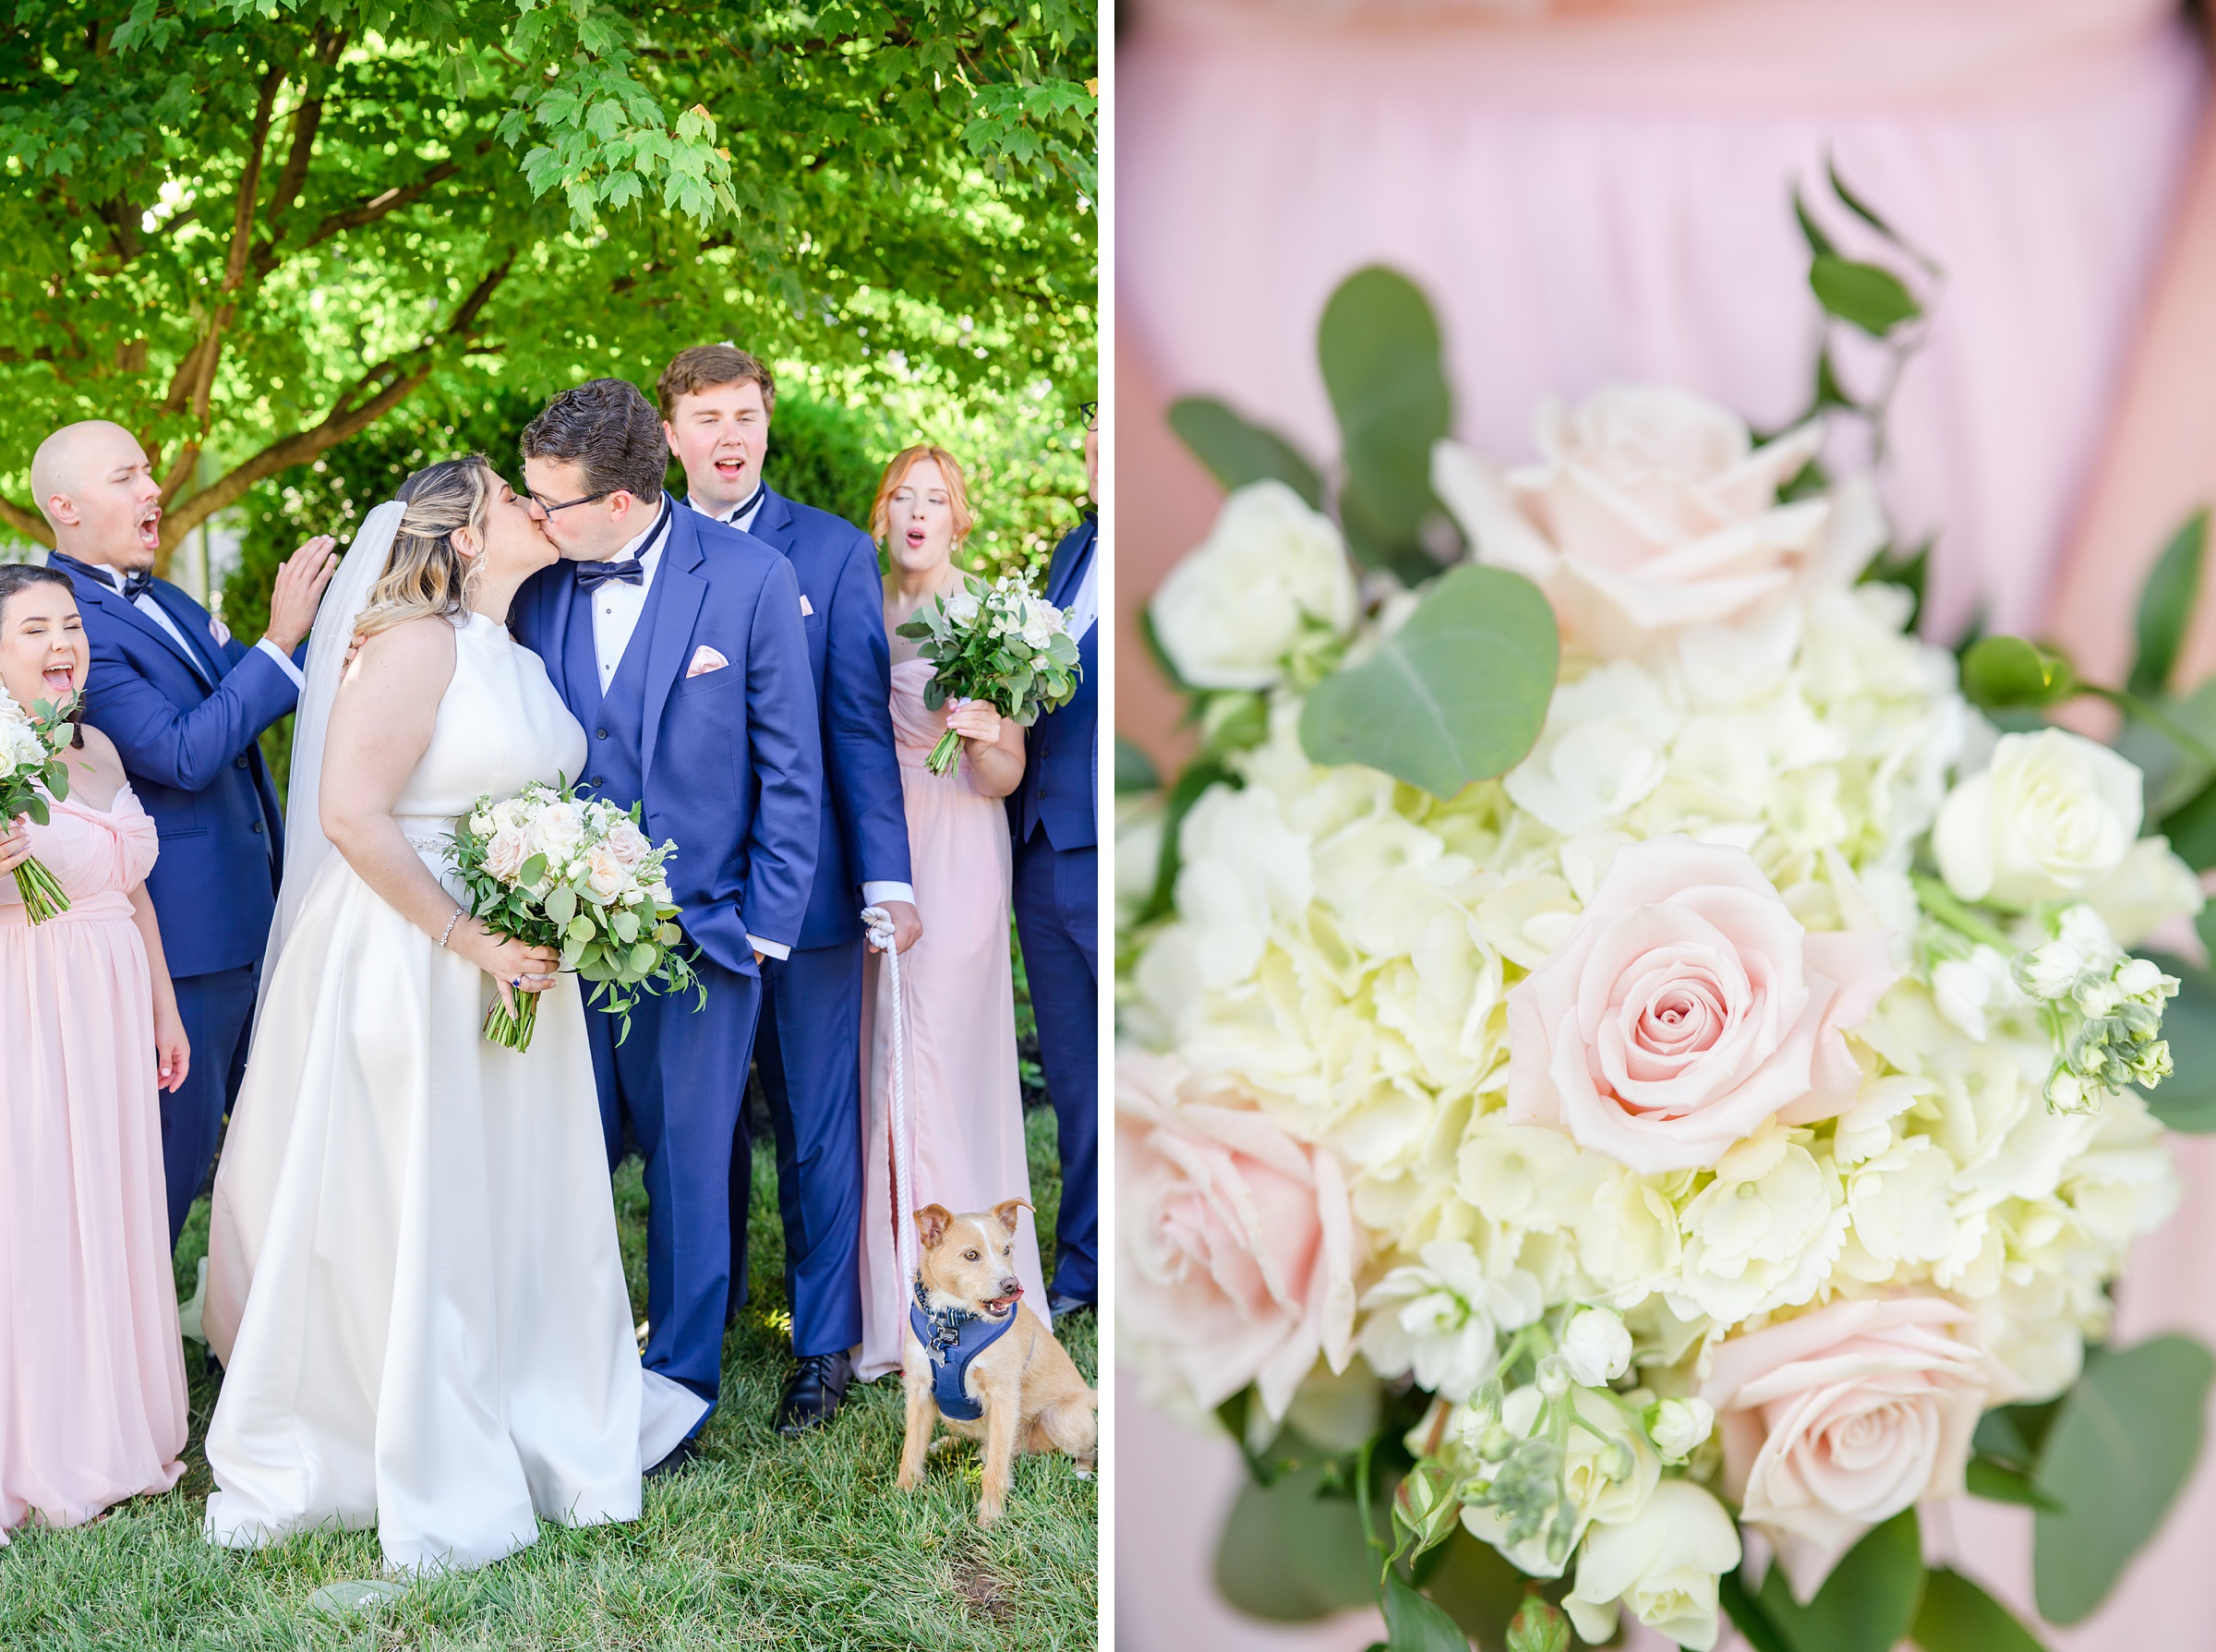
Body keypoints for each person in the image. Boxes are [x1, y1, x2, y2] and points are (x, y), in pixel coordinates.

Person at [199, 459, 697, 1572]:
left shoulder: (509, 651)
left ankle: (527, 1396)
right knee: (415, 1183)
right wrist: (468, 936)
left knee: (504, 1185)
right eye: (512, 499)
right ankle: (393, 1415)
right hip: (411, 951)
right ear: (466, 539)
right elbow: (350, 812)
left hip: (512, 957)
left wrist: (574, 889)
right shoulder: (413, 641)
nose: (536, 505)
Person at [508, 378, 823, 1477]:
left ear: (628, 498)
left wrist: (767, 931)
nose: (534, 518)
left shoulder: (751, 578)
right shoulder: (536, 582)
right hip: (551, 937)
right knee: (561, 1152)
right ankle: (566, 1359)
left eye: (553, 501)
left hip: (707, 940)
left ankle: (681, 1385)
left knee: (693, 1166)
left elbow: (792, 770)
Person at [658, 344, 920, 1433]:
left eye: (747, 415)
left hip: (810, 903)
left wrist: (887, 875)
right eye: (707, 416)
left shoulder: (830, 550)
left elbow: (858, 727)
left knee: (817, 1125)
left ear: (767, 425)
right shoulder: (645, 550)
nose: (730, 435)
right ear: (669, 434)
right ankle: (693, 1328)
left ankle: (819, 1344)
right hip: (688, 905)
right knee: (696, 1125)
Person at [30, 419, 337, 1246]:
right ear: (64, 506)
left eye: (148, 473)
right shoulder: (66, 620)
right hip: (182, 941)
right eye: (126, 478)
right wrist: (277, 639)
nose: (152, 490)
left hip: (250, 912)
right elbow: (183, 752)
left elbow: (239, 695)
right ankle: (136, 1355)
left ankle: (242, 1337)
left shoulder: (161, 592)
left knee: (271, 1152)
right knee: (172, 1161)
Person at [0, 563, 190, 1539]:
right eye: (34, 628)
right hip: (34, 1014)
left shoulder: (101, 746)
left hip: (115, 1007)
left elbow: (133, 887)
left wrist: (164, 1007)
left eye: (68, 622)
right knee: (41, 1212)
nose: (61, 641)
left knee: (111, 1204)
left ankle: (120, 1423)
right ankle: (44, 1437)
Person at [856, 445, 1050, 1380]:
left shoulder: (990, 615)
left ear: (959, 517)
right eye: (905, 497)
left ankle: (964, 1296)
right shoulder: (866, 604)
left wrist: (979, 739)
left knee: (936, 1055)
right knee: (883, 1056)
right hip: (881, 844)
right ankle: (893, 1293)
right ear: (884, 511)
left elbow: (1007, 772)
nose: (920, 512)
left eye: (938, 499)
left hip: (962, 843)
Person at [1008, 409, 1099, 1320]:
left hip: (1107, 846)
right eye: (1091, 441)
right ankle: (1082, 1268)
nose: (1099, 456)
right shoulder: (1074, 549)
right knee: (1073, 1077)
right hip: (1039, 849)